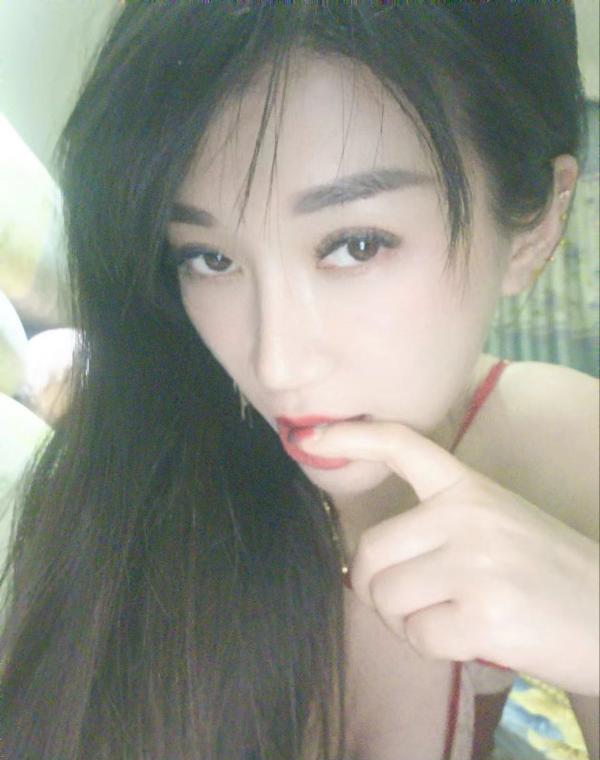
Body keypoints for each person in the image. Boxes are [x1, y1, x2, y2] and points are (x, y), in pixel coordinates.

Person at [0, 3, 598, 759]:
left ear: (536, 226)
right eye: (209, 258)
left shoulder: (567, 451)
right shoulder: (124, 473)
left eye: (356, 245)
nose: (274, 365)